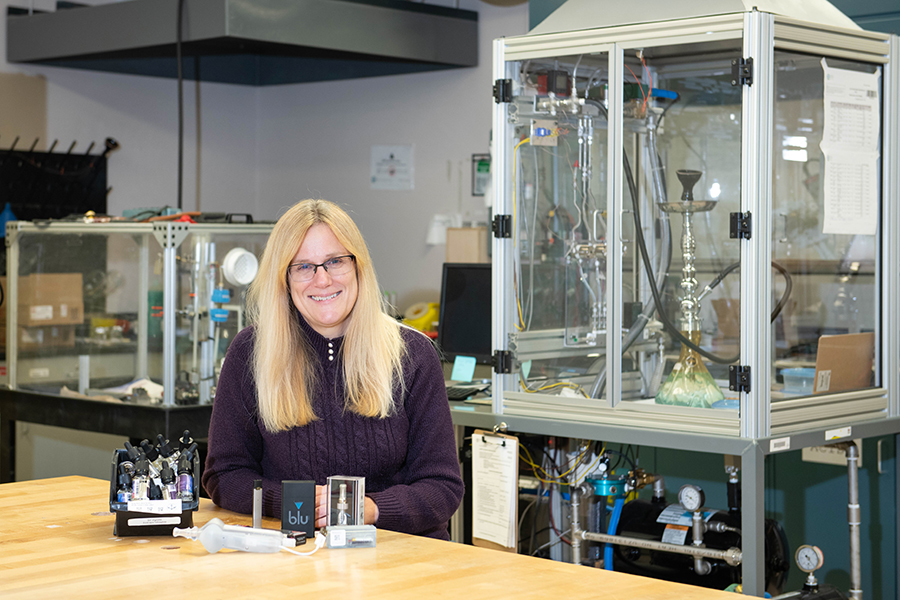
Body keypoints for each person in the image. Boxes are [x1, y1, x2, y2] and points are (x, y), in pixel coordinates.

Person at [203, 199, 464, 539]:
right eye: (303, 267)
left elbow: (442, 487)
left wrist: (369, 509)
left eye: (335, 261)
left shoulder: (412, 354)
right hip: (292, 557)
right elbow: (224, 474)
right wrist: (292, 503)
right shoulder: (251, 352)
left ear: (358, 267)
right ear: (284, 279)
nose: (322, 280)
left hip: (398, 557)